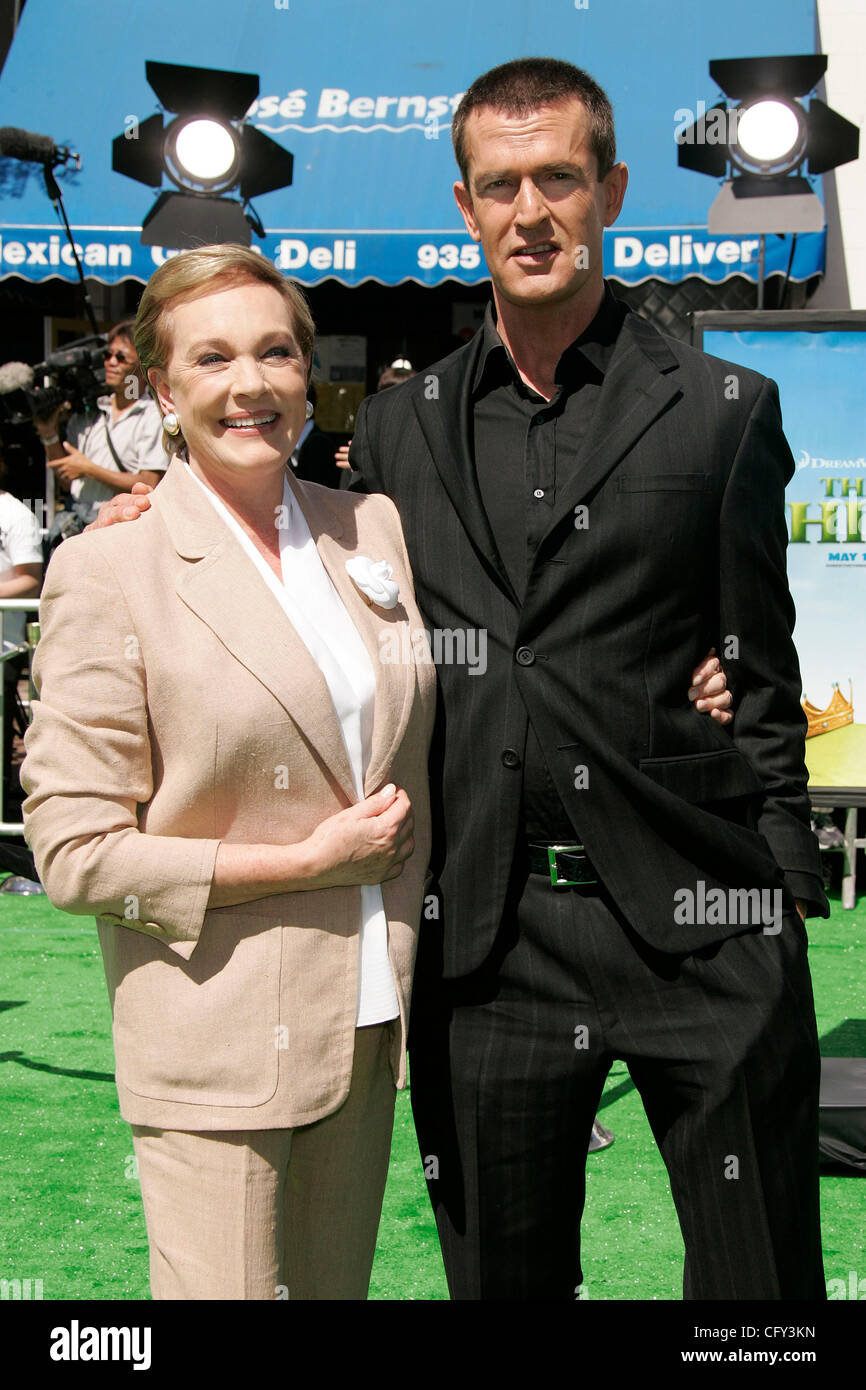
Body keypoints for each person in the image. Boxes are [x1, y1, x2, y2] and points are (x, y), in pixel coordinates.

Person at [346, 58, 826, 1301]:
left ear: (608, 188)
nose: (530, 211)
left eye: (557, 177)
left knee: (755, 1299)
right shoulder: (402, 428)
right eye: (499, 185)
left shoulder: (720, 411)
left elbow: (760, 669)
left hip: (699, 920)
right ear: (464, 206)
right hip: (487, 942)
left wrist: (770, 893)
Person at [21, 244, 436, 1300]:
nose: (248, 383)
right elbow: (73, 854)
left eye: (274, 352)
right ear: (163, 391)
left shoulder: (366, 526)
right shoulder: (110, 565)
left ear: (307, 373)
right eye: (211, 359)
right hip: (214, 1039)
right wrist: (302, 860)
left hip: (366, 1023)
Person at [35, 319, 167, 541]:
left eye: (121, 357)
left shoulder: (152, 415)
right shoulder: (91, 413)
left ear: (142, 366)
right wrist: (49, 434)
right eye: (107, 355)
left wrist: (89, 469)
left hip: (120, 528)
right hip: (77, 525)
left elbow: (148, 483)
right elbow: (68, 480)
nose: (111, 362)